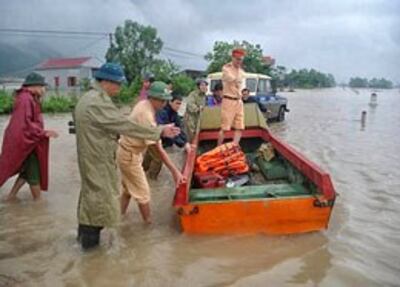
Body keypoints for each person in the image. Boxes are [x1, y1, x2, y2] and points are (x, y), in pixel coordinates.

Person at [74, 63, 180, 250]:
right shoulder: (97, 102)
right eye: (118, 83)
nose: (120, 88)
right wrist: (160, 131)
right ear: (107, 81)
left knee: (96, 198)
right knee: (100, 200)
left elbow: (110, 124)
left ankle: (85, 245)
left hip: (97, 156)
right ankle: (90, 254)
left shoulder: (90, 98)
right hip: (99, 160)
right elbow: (123, 125)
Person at [117, 81, 185, 225]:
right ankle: (148, 227)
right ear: (153, 98)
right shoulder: (146, 114)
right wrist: (175, 172)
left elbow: (150, 130)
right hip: (129, 155)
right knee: (144, 194)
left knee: (128, 190)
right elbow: (158, 150)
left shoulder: (144, 104)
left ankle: (118, 218)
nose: (164, 103)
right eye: (162, 100)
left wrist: (162, 129)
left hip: (126, 151)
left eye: (165, 100)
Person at [0, 72, 58, 201]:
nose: (44, 90)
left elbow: (26, 124)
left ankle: (11, 197)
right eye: (43, 87)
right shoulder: (26, 99)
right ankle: (39, 203)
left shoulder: (27, 97)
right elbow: (24, 124)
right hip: (26, 141)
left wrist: (41, 133)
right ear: (35, 86)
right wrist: (43, 133)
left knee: (26, 171)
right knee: (34, 173)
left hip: (27, 139)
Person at [143, 93, 191, 179]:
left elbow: (179, 129)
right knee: (158, 159)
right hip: (154, 137)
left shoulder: (174, 114)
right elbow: (168, 132)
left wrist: (185, 142)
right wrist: (183, 143)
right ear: (170, 102)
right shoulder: (162, 112)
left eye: (180, 104)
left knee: (149, 156)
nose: (179, 106)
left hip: (157, 138)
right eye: (177, 103)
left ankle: (143, 172)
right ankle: (152, 179)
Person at [217, 48, 246, 145]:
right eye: (237, 59)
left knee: (239, 126)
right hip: (228, 100)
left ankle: (234, 146)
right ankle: (218, 147)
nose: (239, 61)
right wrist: (237, 77)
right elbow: (232, 79)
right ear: (233, 58)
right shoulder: (226, 68)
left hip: (239, 101)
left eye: (241, 59)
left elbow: (241, 84)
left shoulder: (242, 71)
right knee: (225, 128)